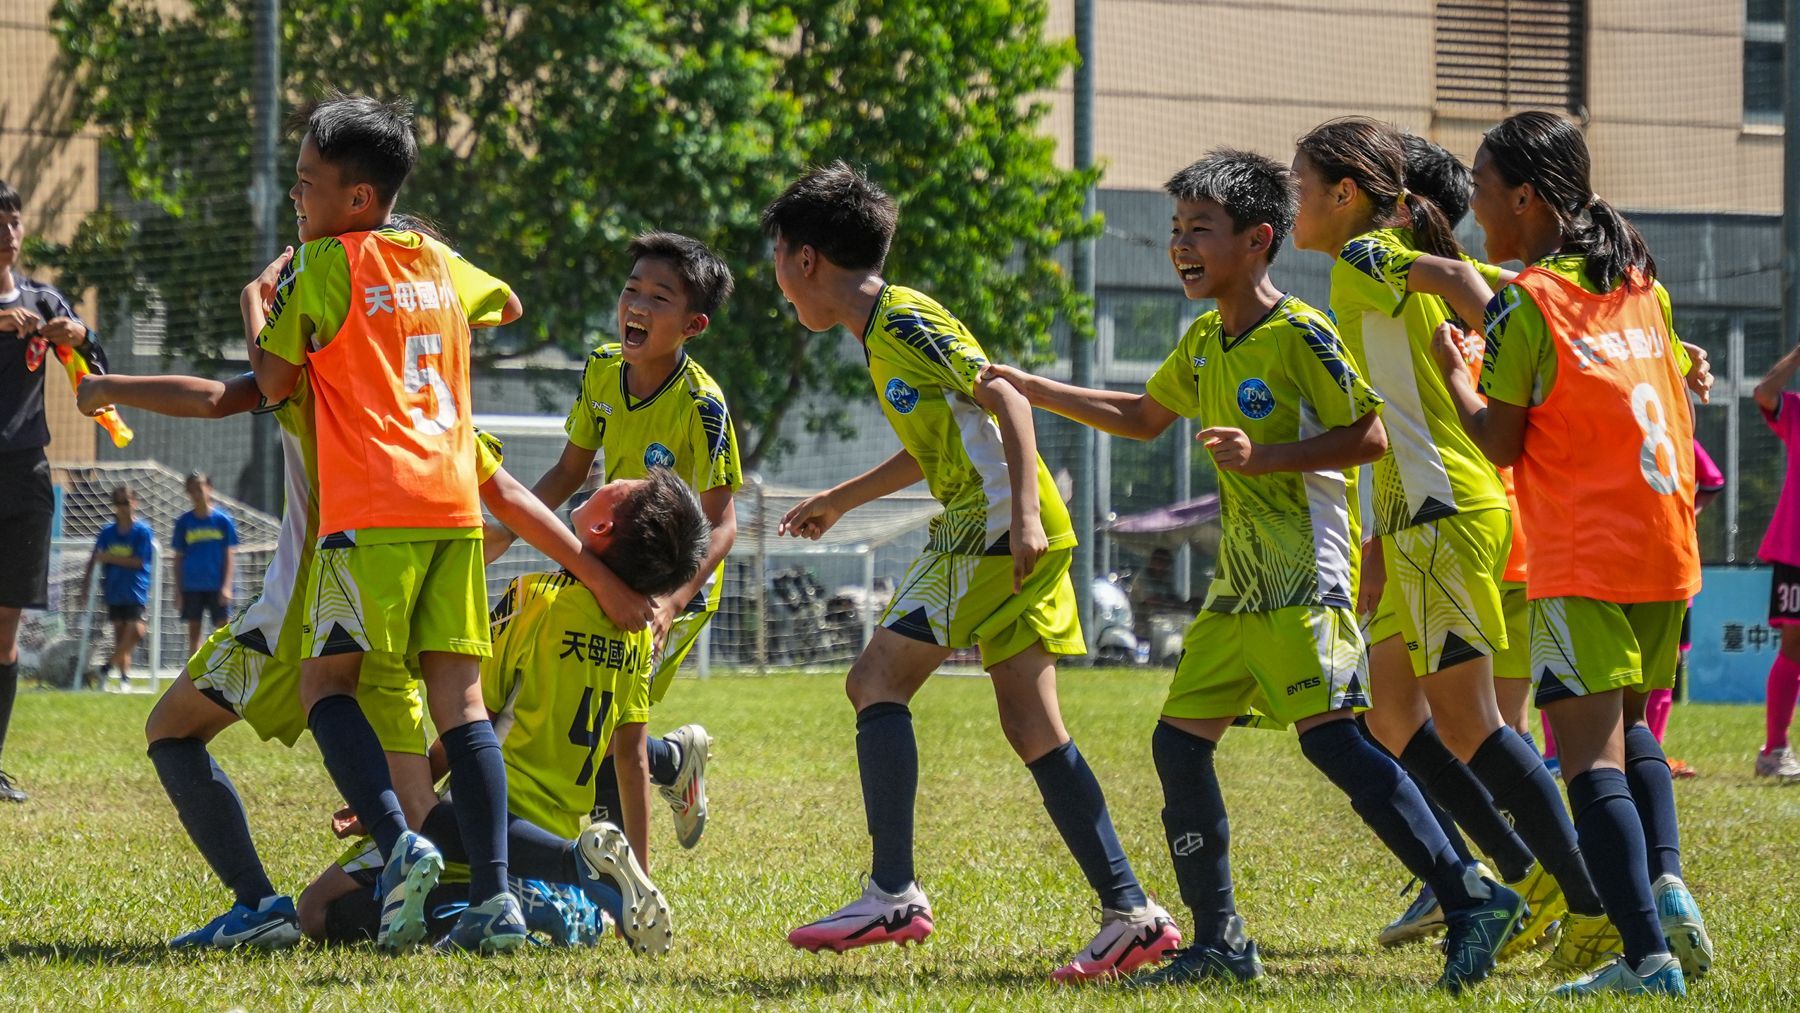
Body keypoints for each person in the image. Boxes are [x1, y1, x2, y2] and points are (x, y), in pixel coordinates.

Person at [988, 149, 1520, 993]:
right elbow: (1139, 416)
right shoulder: (1205, 339)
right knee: (1177, 744)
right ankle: (1222, 942)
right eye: (1175, 230)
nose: (1181, 246)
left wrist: (1264, 455)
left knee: (1338, 744)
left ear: (1259, 239)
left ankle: (1469, 893)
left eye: (1200, 228)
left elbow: (1371, 437)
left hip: (1306, 581)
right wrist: (1029, 386)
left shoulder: (1302, 331)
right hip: (1238, 592)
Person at [764, 161, 1178, 982]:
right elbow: (940, 442)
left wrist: (1021, 512)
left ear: (805, 259)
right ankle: (1132, 912)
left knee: (874, 679)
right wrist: (843, 497)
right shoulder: (880, 333)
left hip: (988, 533)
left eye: (777, 258)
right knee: (1031, 725)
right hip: (996, 529)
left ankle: (892, 889)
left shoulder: (906, 320)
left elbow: (1007, 399)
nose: (777, 280)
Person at [1293, 117, 1602, 963]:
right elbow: (1480, 281)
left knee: (1469, 725)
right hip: (1414, 520)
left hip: (1444, 514)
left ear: (1346, 195)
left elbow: (1473, 280)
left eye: (1299, 185)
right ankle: (1516, 872)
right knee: (1393, 711)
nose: (1293, 201)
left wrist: (1521, 322)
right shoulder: (1367, 268)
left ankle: (1584, 898)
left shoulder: (1365, 257)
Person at [1433, 109, 1711, 996]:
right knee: (1632, 735)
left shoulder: (1526, 299)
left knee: (1586, 756)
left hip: (1584, 555)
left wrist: (1456, 375)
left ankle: (1646, 958)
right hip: (1665, 547)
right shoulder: (1639, 283)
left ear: (1525, 197)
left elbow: (1503, 443)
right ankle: (1667, 890)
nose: (1476, 213)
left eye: (1481, 193)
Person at [248, 93, 524, 954]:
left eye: (306, 185)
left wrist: (258, 297)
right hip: (452, 504)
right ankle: (497, 899)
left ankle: (399, 841)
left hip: (371, 506)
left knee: (324, 685)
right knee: (463, 706)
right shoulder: (437, 258)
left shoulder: (328, 264)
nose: (297, 200)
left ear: (357, 199)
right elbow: (506, 305)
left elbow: (272, 379)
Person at [302, 469, 709, 955]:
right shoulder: (638, 631)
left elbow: (473, 721)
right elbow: (632, 759)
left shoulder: (536, 601)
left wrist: (390, 799)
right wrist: (636, 885)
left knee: (317, 909)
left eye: (622, 484)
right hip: (557, 825)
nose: (611, 476)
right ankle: (556, 900)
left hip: (486, 822)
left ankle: (500, 899)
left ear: (601, 528)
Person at [489, 230, 738, 860]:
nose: (638, 305)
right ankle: (671, 763)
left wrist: (672, 604)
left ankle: (617, 883)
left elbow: (723, 523)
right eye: (632, 289)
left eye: (660, 297)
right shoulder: (603, 368)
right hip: (609, 553)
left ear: (695, 325)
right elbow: (571, 473)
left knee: (607, 726)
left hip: (667, 578)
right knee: (593, 713)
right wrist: (505, 529)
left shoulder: (703, 406)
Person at [0, 177, 108, 803]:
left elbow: (95, 375)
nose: (8, 233)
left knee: (5, 630)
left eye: (14, 221)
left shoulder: (44, 302)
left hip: (24, 476)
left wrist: (81, 337)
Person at [1753, 341, 1800, 781]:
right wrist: (1795, 357)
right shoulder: (1798, 412)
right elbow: (1764, 394)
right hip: (1797, 551)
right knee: (1794, 647)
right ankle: (1775, 751)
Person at [86, 484, 154, 689]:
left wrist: (109, 557)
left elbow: (139, 561)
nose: (123, 507)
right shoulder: (107, 532)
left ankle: (106, 668)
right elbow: (94, 557)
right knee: (120, 635)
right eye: (119, 503)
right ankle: (124, 678)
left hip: (135, 589)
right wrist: (86, 584)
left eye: (126, 502)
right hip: (114, 589)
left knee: (137, 631)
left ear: (135, 502)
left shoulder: (142, 531)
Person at [171, 471, 239, 656]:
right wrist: (178, 589)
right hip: (192, 585)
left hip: (217, 584)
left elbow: (230, 554)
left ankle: (224, 668)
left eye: (200, 488)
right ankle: (195, 675)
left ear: (209, 488)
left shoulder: (223, 520)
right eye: (191, 489)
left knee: (223, 630)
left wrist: (226, 586)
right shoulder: (184, 522)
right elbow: (177, 558)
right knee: (194, 631)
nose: (196, 493)